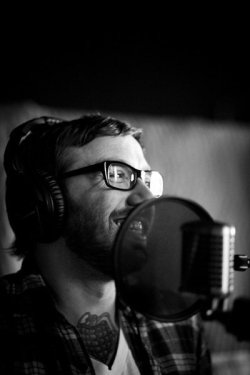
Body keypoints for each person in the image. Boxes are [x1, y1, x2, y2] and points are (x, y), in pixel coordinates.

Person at [0, 114, 212, 374]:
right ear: (46, 201)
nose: (146, 198)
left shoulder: (181, 324)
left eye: (147, 180)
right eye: (118, 174)